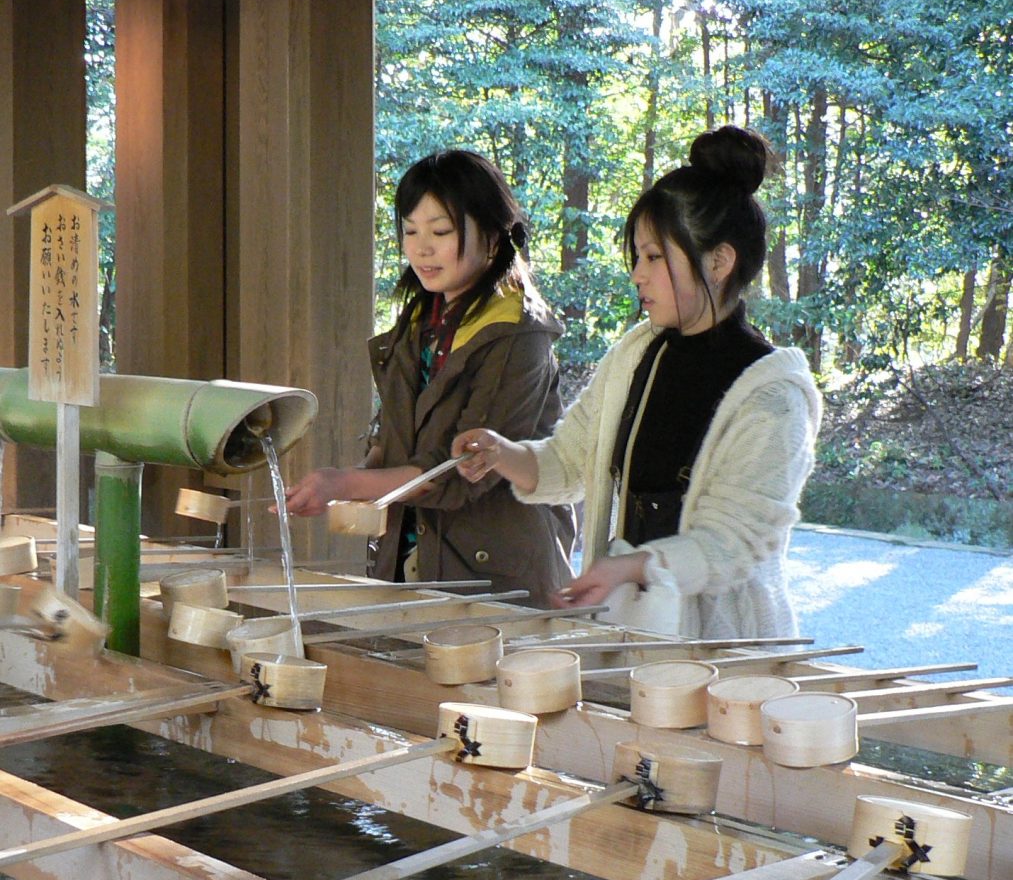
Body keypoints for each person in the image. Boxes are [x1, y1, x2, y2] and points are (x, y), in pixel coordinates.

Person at [452, 125, 822, 639]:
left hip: (726, 648)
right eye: (638, 257)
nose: (637, 275)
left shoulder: (773, 395)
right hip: (635, 632)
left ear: (719, 261)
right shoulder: (637, 353)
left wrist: (629, 566)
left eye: (654, 257)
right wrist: (501, 453)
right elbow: (569, 460)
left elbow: (734, 544)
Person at [284, 149, 575, 603]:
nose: (421, 248)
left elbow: (459, 472)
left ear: (493, 237)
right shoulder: (421, 319)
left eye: (440, 231)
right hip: (413, 559)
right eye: (410, 230)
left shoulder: (518, 334)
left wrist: (344, 483)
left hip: (495, 576)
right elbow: (396, 441)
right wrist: (348, 482)